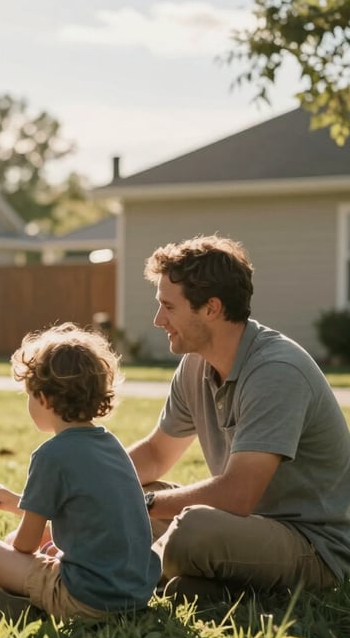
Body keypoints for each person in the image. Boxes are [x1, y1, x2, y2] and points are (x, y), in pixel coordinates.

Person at [129, 234, 350, 603]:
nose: (158, 320)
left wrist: (135, 504)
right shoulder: (195, 363)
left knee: (191, 529)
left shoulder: (277, 371)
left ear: (211, 308)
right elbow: (155, 454)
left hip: (313, 546)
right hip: (245, 530)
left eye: (169, 307)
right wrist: (94, 484)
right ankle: (203, 589)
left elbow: (237, 495)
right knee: (128, 495)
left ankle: (86, 580)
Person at [0, 322, 161, 627]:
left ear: (45, 399)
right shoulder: (110, 444)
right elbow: (84, 510)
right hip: (135, 592)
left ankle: (33, 607)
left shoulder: (51, 455)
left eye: (29, 395)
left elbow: (25, 544)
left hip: (88, 598)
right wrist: (16, 502)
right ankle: (29, 600)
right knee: (41, 545)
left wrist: (26, 555)